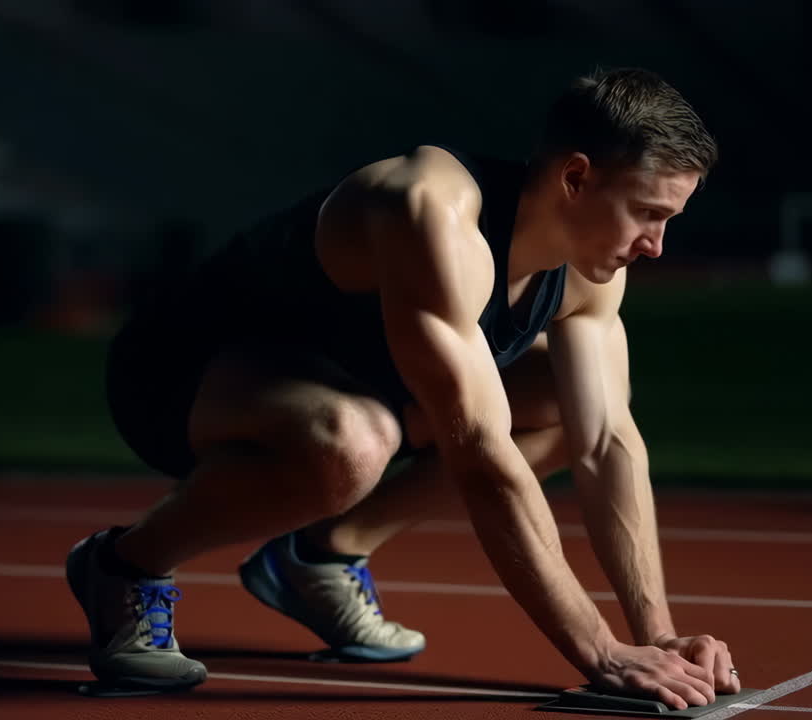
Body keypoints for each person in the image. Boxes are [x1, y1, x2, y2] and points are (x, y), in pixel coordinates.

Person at [66, 67, 741, 709]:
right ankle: (125, 566)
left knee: (566, 405)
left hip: (354, 387)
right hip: (181, 371)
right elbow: (481, 454)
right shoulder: (433, 212)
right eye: (648, 213)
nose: (656, 245)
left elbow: (606, 441)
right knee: (356, 441)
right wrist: (602, 651)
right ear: (575, 177)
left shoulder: (594, 269)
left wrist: (656, 637)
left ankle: (321, 557)